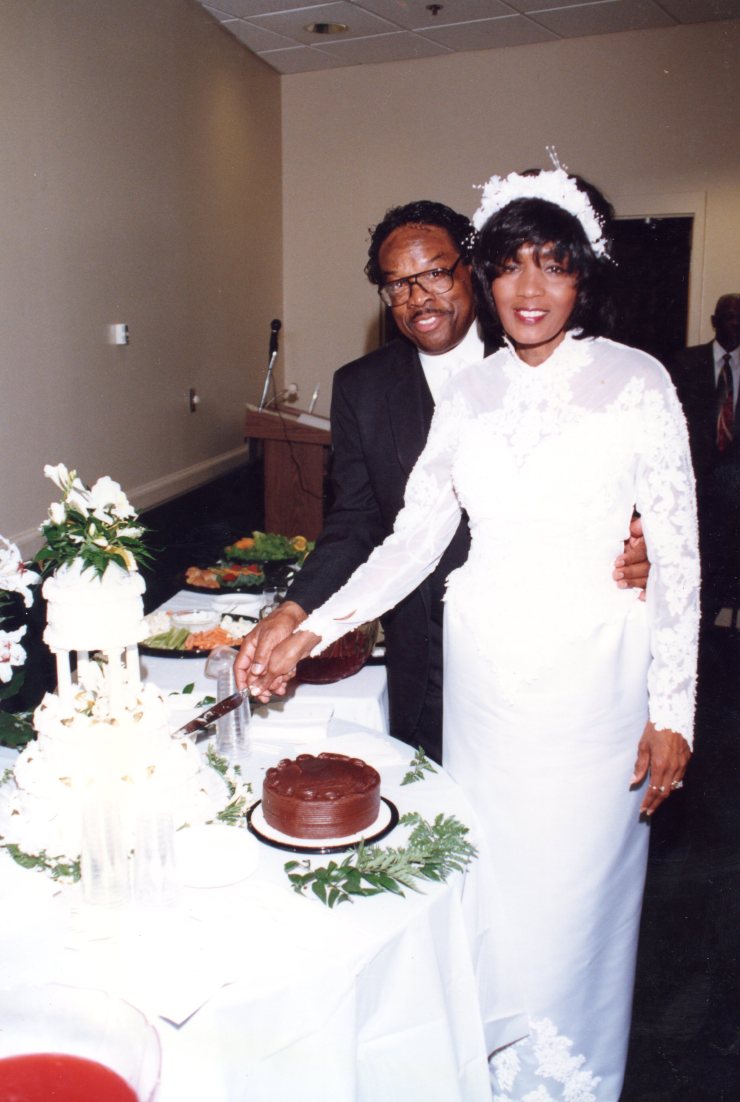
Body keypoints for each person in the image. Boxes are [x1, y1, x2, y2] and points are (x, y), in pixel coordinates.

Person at [240, 165, 700, 1100]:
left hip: (592, 681)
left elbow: (679, 556)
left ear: (583, 276)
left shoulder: (638, 380)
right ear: (488, 276)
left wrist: (674, 710)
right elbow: (413, 539)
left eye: (554, 266)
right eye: (512, 266)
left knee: (571, 895)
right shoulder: (472, 394)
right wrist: (313, 624)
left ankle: (567, 1077)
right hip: (485, 683)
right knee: (487, 885)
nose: (531, 289)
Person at [235, 200, 650, 762]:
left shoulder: (545, 354)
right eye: (397, 284)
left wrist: (642, 546)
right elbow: (355, 521)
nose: (418, 298)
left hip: (556, 650)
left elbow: (626, 491)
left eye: (434, 273)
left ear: (472, 268)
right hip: (426, 650)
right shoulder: (362, 387)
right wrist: (295, 609)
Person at [669, 293, 740, 618]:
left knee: (722, 578)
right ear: (714, 322)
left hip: (733, 496)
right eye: (730, 317)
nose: (736, 324)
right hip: (691, 488)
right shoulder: (685, 363)